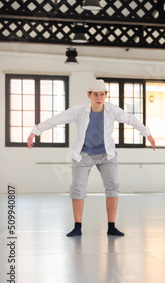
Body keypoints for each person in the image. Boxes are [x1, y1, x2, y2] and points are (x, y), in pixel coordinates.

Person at [27, 79, 156, 237]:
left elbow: (131, 119)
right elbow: (58, 119)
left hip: (106, 154)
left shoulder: (112, 110)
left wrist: (147, 134)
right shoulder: (79, 110)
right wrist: (35, 132)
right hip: (83, 155)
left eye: (102, 95)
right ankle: (77, 226)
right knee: (77, 189)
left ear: (105, 96)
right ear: (89, 95)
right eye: (95, 95)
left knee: (113, 187)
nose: (99, 98)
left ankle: (111, 226)